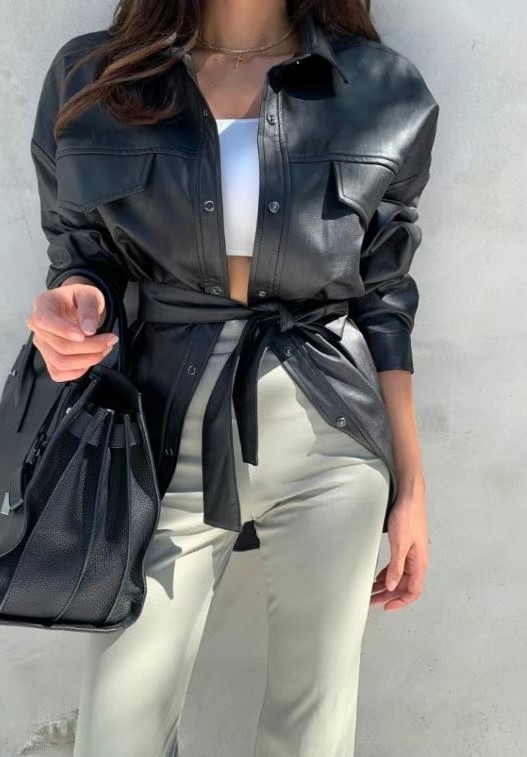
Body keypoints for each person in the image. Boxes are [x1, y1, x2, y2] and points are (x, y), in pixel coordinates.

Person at [26, 1, 438, 754]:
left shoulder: (380, 86)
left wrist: (409, 486)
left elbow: (384, 301)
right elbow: (80, 256)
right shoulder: (94, 78)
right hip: (162, 436)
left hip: (332, 437)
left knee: (313, 729)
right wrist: (76, 305)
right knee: (117, 731)